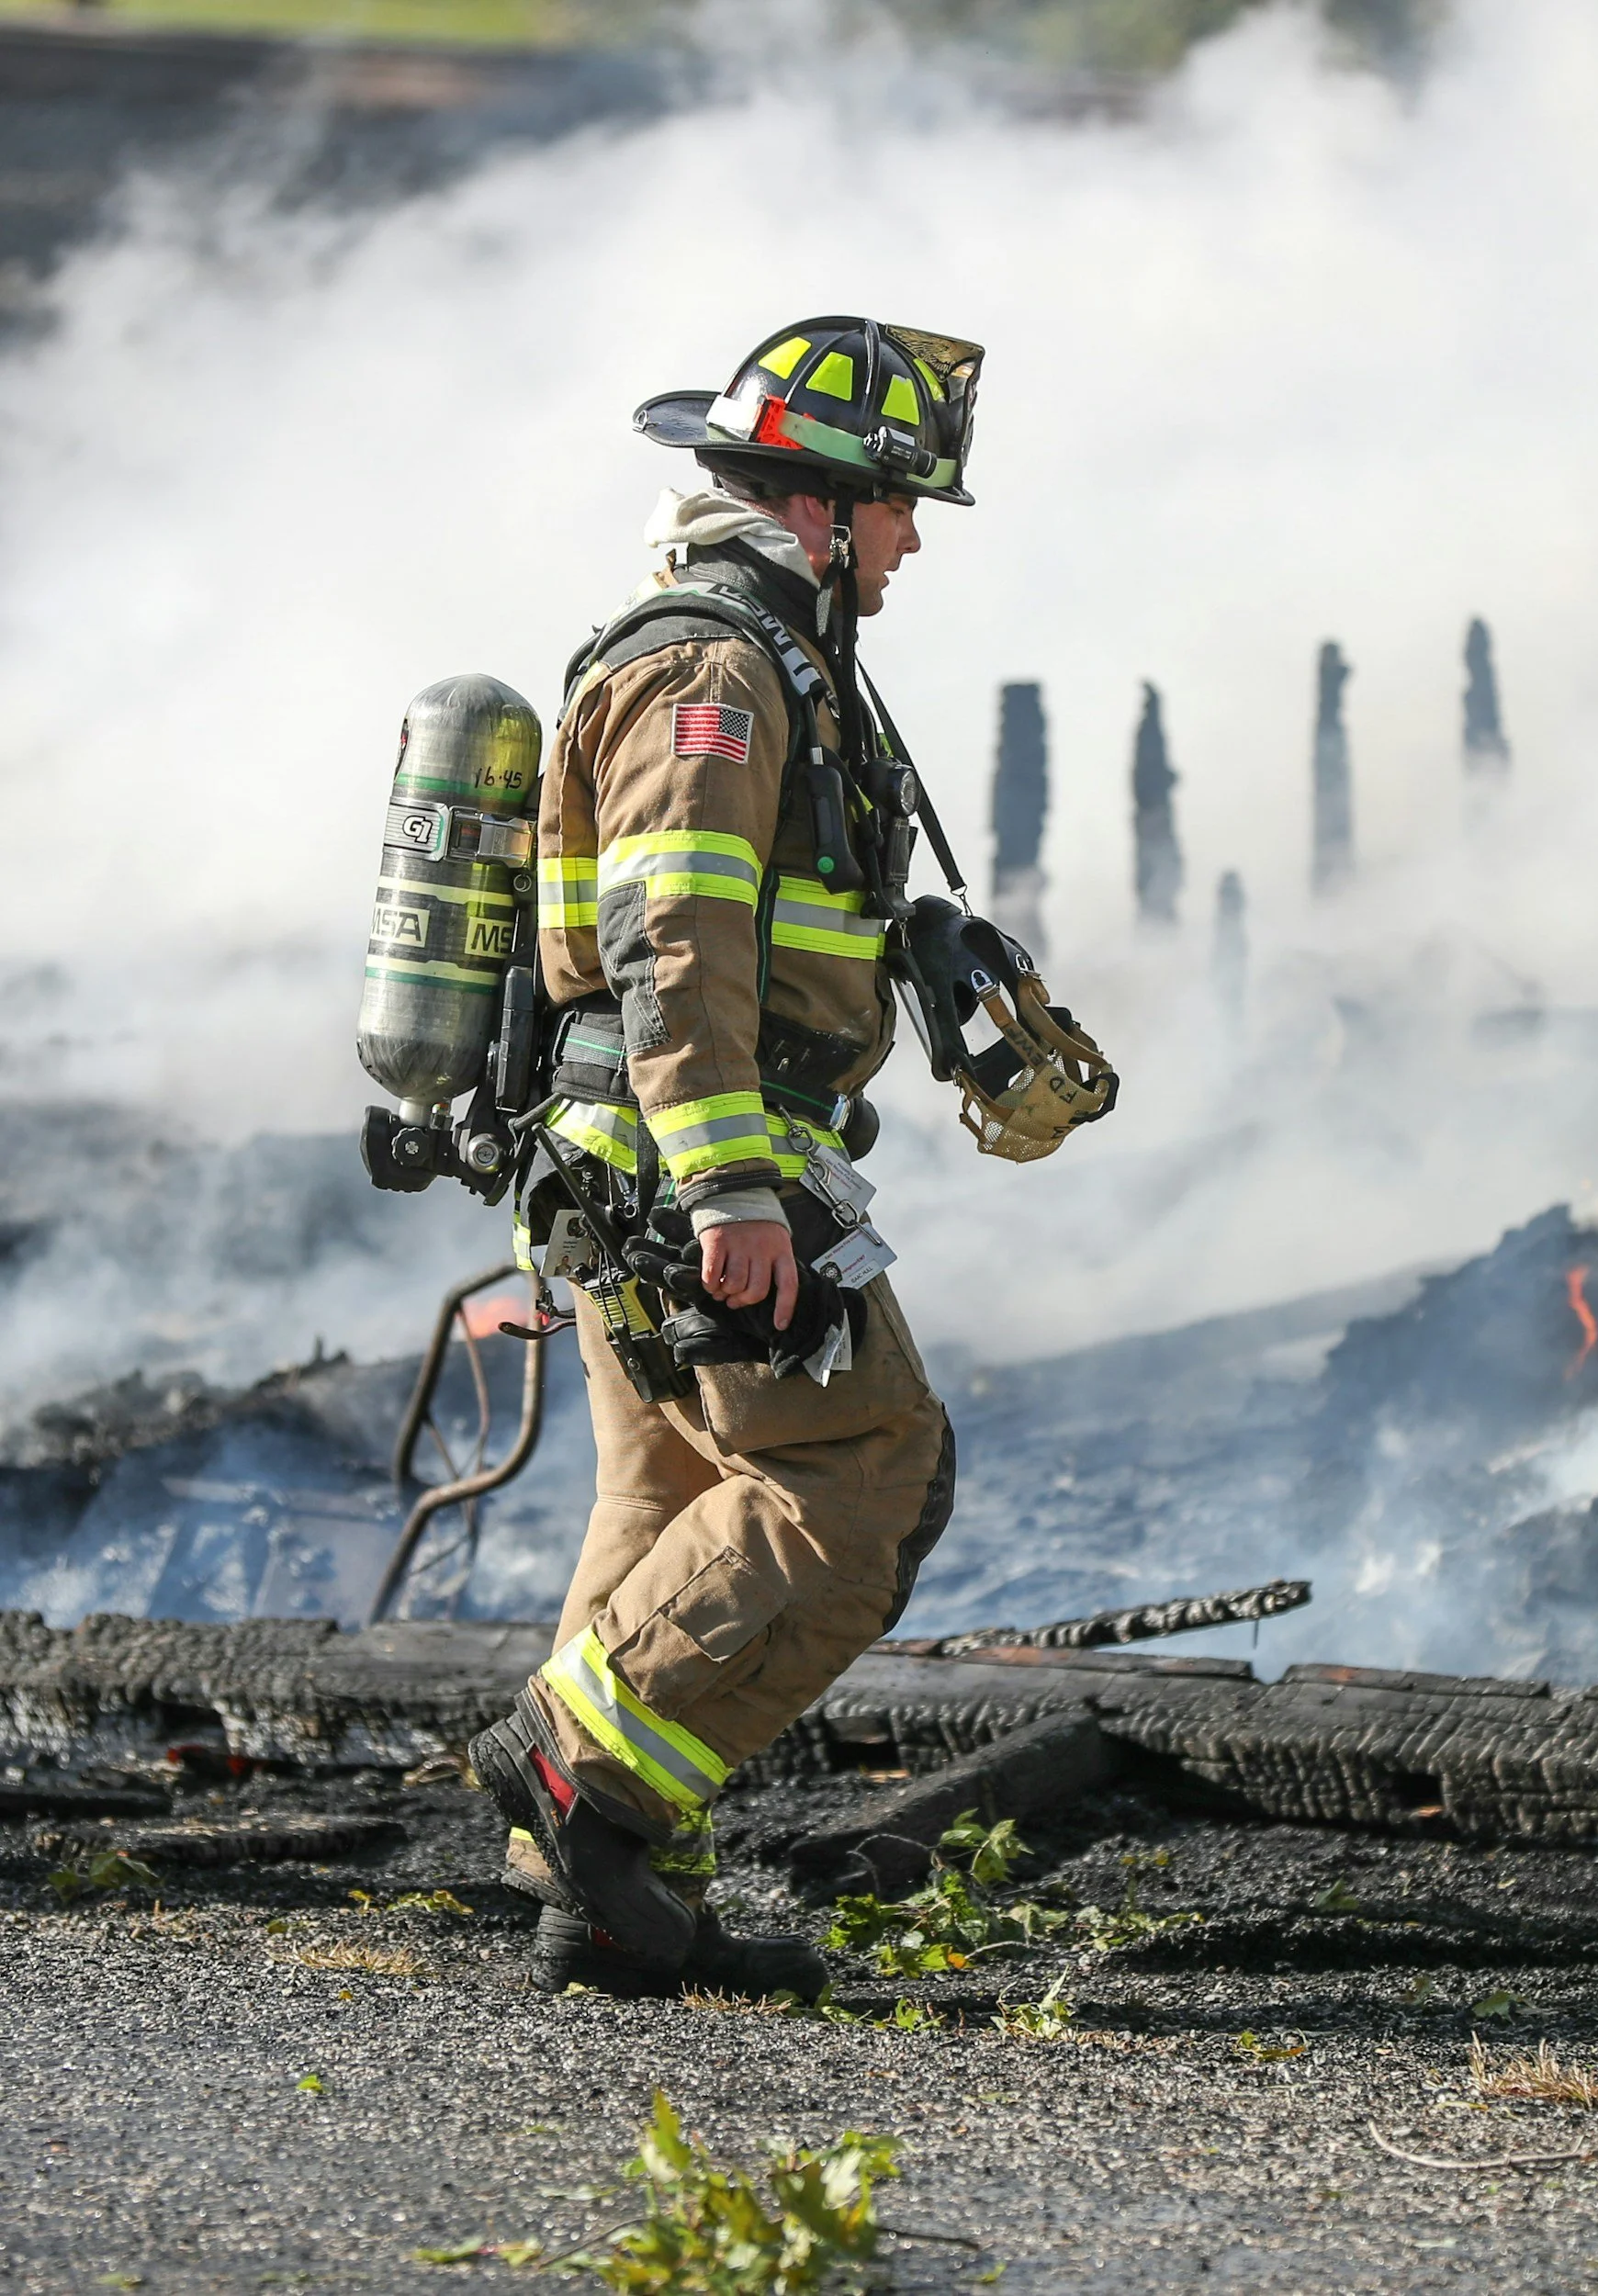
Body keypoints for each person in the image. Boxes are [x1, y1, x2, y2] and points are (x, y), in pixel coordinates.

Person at [467, 318, 982, 1998]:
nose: (911, 542)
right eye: (899, 507)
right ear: (817, 509)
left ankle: (594, 1900)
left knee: (674, 1491)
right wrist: (731, 1193)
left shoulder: (761, 652)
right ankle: (574, 1765)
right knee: (868, 1476)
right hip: (695, 1166)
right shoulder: (718, 673)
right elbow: (675, 933)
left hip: (634, 1166)